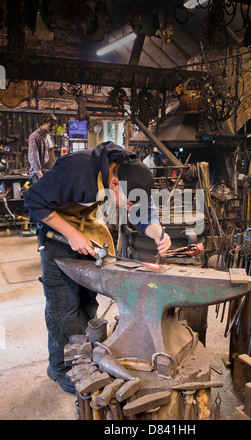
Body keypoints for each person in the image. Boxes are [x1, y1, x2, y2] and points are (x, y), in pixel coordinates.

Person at [23, 141, 171, 394]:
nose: (130, 208)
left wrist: (157, 232)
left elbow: (144, 212)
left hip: (87, 225)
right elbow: (33, 200)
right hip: (56, 230)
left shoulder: (129, 173)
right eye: (128, 203)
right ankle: (61, 367)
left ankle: (83, 358)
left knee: (88, 300)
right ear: (114, 184)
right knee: (64, 305)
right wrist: (71, 234)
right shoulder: (76, 170)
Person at [28, 113, 58, 182]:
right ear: (43, 122)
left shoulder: (48, 137)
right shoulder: (35, 136)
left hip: (50, 173)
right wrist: (40, 175)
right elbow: (33, 158)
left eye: (54, 126)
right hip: (41, 174)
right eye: (51, 125)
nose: (52, 128)